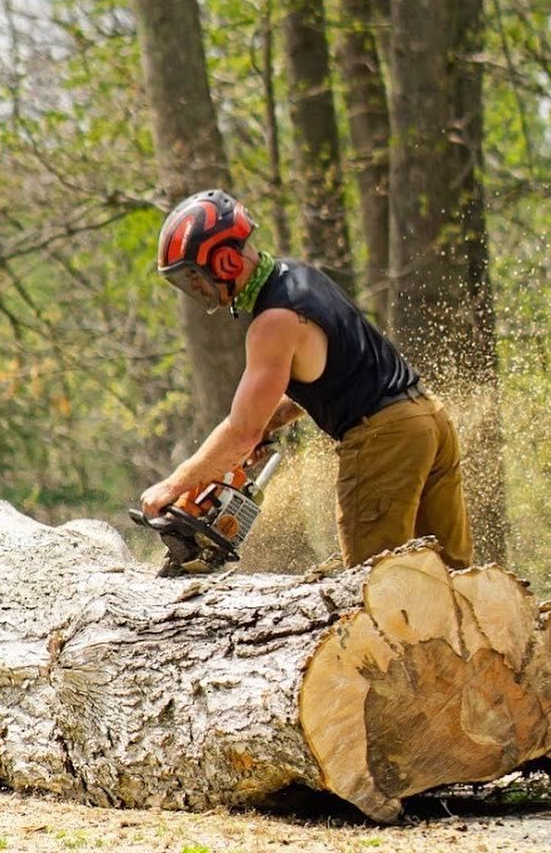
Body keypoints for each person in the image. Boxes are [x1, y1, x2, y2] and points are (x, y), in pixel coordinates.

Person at [139, 189, 472, 570]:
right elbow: (335, 373)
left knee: (376, 584)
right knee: (452, 577)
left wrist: (173, 486)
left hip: (384, 440)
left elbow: (240, 431)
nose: (195, 290)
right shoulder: (300, 278)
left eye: (195, 279)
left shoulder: (273, 322)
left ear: (226, 260)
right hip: (428, 420)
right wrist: (270, 423)